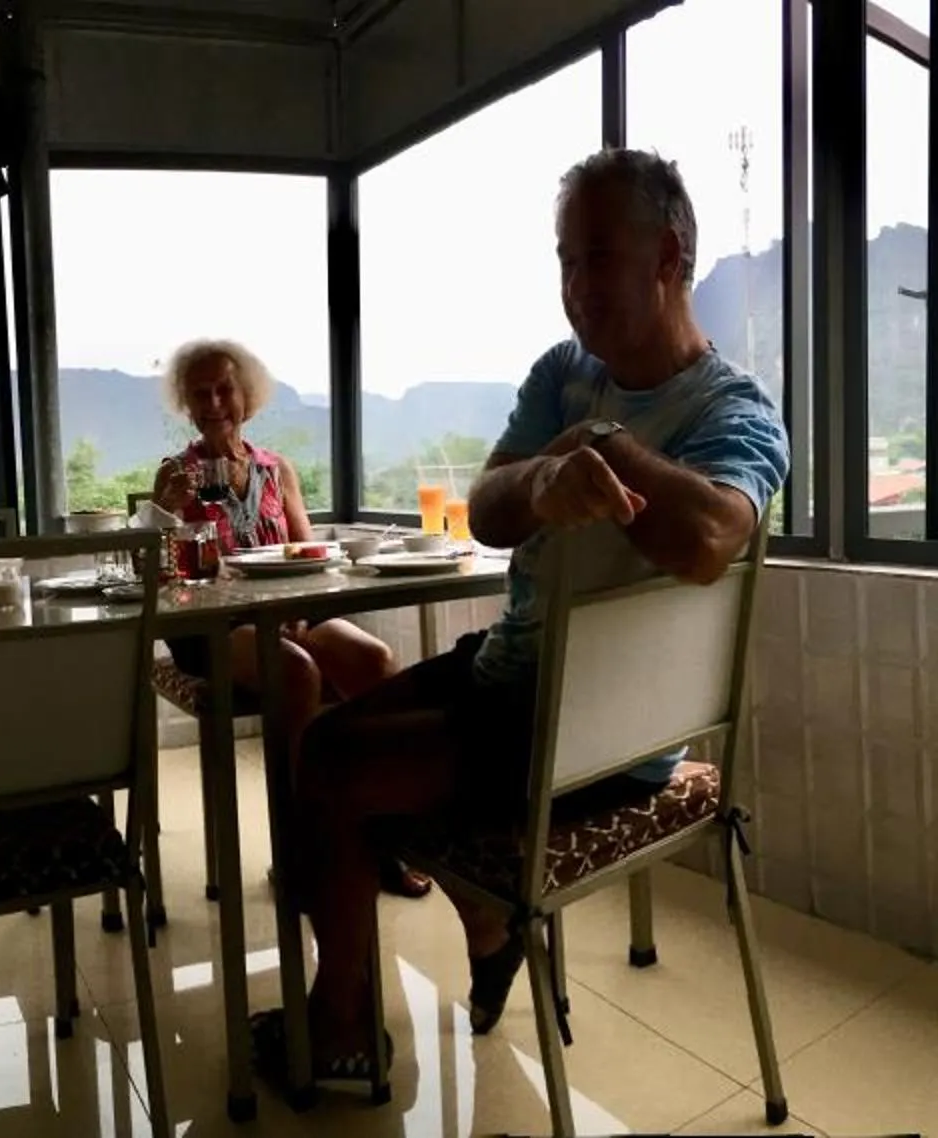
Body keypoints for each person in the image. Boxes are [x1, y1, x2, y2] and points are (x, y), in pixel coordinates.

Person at [261, 148, 790, 1091]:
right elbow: (490, 513)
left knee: (336, 767)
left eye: (594, 258)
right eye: (563, 263)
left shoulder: (735, 411)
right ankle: (486, 921)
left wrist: (600, 443)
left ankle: (341, 1024)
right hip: (509, 682)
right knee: (327, 738)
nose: (574, 288)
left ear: (670, 255)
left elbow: (713, 538)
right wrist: (543, 478)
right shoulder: (562, 370)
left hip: (605, 734)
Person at [144, 340, 421, 898]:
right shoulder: (177, 474)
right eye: (201, 392)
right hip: (212, 625)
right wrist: (165, 515)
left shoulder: (276, 470)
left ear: (248, 395)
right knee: (296, 673)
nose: (215, 400)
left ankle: (381, 836)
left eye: (225, 388)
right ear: (187, 404)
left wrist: (297, 606)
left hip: (290, 610)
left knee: (375, 660)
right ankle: (301, 849)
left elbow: (308, 554)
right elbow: (156, 574)